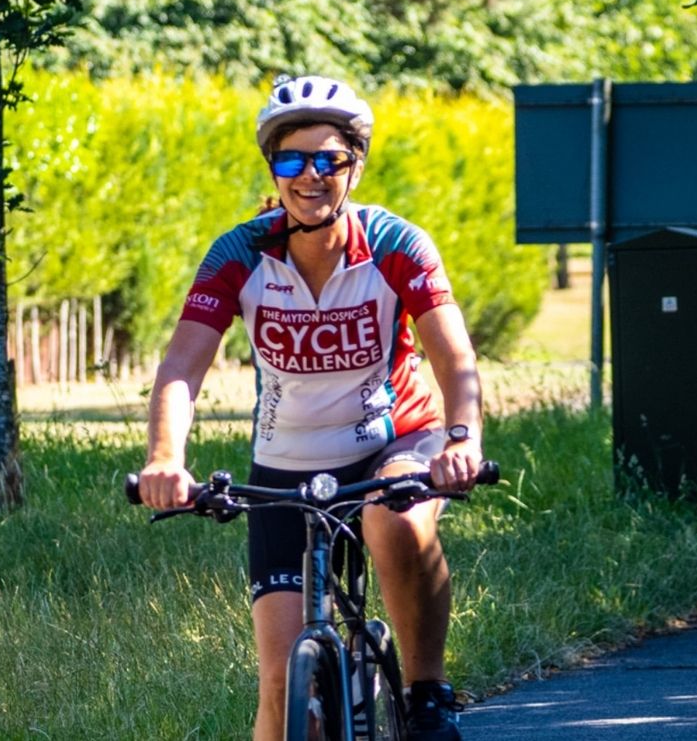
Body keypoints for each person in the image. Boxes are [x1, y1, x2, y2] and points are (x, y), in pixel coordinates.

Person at [136, 74, 483, 741]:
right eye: (292, 160)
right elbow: (182, 365)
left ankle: (426, 692)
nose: (311, 176)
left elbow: (453, 357)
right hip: (284, 465)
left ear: (355, 164)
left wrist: (460, 439)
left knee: (396, 518)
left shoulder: (395, 245)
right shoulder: (240, 252)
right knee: (277, 687)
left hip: (392, 443)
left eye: (330, 159)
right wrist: (164, 459)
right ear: (273, 167)